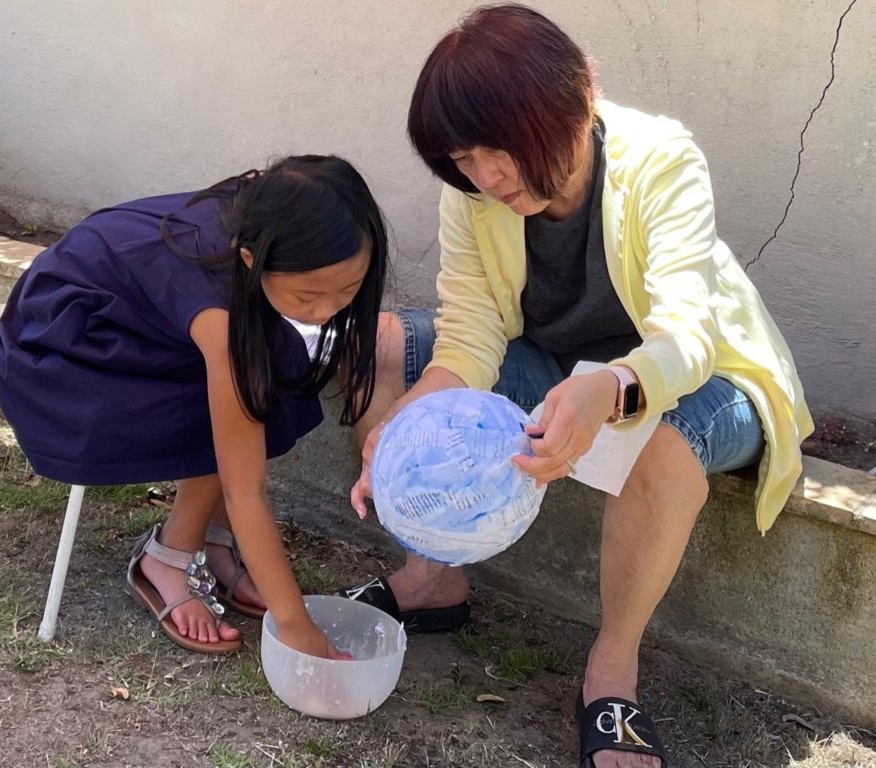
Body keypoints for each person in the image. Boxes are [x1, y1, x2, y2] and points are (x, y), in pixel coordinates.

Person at [342, 6, 813, 767]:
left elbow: (688, 338)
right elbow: (467, 335)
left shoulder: (661, 159)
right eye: (466, 159)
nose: (488, 179)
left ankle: (611, 673)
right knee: (391, 347)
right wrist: (406, 428)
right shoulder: (472, 194)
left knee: (654, 440)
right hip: (561, 368)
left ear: (579, 97)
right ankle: (433, 577)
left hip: (705, 379)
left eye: (503, 152)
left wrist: (612, 393)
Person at [0, 155, 388, 659]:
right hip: (64, 345)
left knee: (262, 366)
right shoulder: (218, 305)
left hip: (142, 318)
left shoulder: (272, 207)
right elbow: (247, 492)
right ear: (249, 260)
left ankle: (212, 543)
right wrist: (296, 626)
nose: (326, 312)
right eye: (308, 295)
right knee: (229, 390)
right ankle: (168, 557)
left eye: (347, 290)